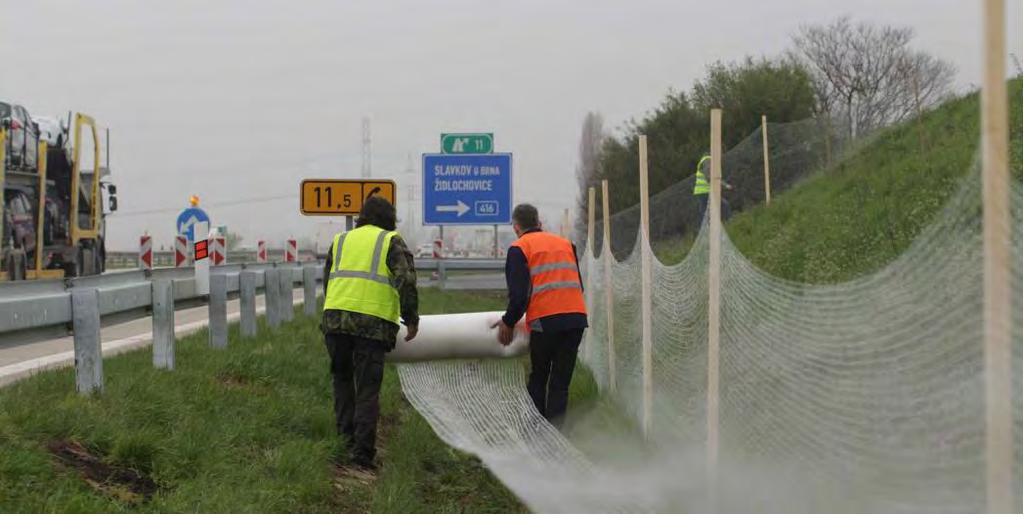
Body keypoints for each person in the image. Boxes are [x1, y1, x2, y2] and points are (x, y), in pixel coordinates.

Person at [321, 196, 419, 471]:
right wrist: (411, 317)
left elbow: (328, 277)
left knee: (342, 381)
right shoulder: (390, 241)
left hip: (335, 321)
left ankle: (345, 441)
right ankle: (362, 455)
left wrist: (336, 314)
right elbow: (406, 280)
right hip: (371, 326)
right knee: (367, 389)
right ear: (389, 218)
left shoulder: (340, 240)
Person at [492, 204, 588, 428]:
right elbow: (578, 286)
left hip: (546, 321)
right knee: (560, 384)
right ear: (539, 223)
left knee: (539, 377)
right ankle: (556, 438)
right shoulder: (566, 244)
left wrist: (508, 322)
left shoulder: (519, 248)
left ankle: (537, 435)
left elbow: (518, 297)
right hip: (576, 318)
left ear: (516, 227)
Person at [692, 154, 734, 222]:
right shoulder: (707, 162)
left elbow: (716, 179)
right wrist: (724, 185)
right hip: (704, 192)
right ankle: (728, 220)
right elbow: (709, 178)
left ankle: (712, 224)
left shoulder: (709, 165)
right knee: (723, 205)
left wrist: (726, 185)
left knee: (706, 210)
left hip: (701, 192)